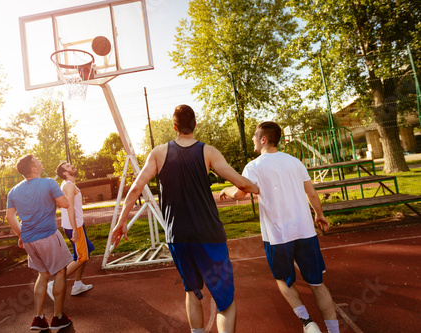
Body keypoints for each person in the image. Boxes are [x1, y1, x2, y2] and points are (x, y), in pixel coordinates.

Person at [111, 105, 259, 333]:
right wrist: (259, 188)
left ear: (175, 127)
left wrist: (121, 221)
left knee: (191, 291)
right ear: (195, 125)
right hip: (209, 234)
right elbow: (241, 183)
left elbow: (135, 189)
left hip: (178, 236)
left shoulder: (158, 153)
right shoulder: (208, 152)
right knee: (226, 302)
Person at [219, 121, 339, 333]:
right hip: (305, 232)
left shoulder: (254, 166)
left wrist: (227, 190)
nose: (254, 140)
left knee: (283, 280)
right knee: (318, 284)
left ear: (264, 139)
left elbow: (240, 193)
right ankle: (333, 330)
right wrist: (319, 214)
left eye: (256, 137)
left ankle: (308, 323)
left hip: (277, 236)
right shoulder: (294, 162)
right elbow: (311, 193)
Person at [6, 155, 73, 331]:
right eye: (38, 160)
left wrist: (21, 234)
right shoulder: (49, 183)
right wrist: (63, 191)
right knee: (59, 272)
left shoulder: (13, 191)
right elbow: (65, 204)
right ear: (34, 169)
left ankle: (38, 318)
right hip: (48, 236)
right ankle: (58, 318)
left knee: (42, 275)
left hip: (29, 241)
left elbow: (9, 216)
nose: (41, 161)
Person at [47, 162, 95, 300]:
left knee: (86, 252)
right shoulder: (68, 185)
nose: (72, 166)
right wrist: (75, 229)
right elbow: (70, 208)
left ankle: (78, 284)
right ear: (65, 173)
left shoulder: (69, 185)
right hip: (75, 226)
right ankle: (54, 284)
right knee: (82, 257)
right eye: (68, 166)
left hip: (77, 225)